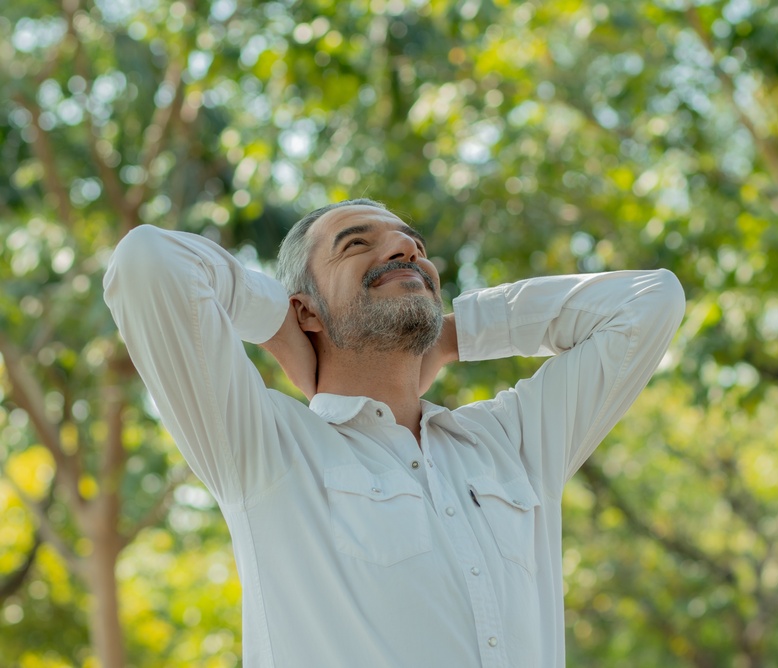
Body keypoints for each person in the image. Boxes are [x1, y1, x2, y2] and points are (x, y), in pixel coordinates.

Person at [103, 199, 685, 668]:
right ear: (307, 308)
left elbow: (649, 301)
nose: (405, 249)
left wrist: (456, 335)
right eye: (357, 244)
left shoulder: (512, 445)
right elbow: (148, 264)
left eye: (413, 246)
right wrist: (279, 325)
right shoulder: (266, 446)